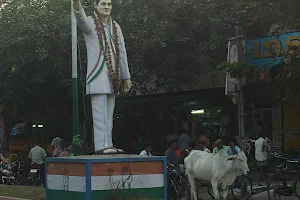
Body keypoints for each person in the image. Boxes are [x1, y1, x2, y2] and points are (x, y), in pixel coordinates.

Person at [73, 0, 132, 155]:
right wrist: (76, 2)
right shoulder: (91, 23)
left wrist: (126, 77)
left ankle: (109, 144)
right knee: (99, 114)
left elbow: (122, 53)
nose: (107, 7)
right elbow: (81, 19)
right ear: (96, 6)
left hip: (113, 77)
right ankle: (101, 146)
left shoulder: (116, 26)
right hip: (97, 75)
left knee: (109, 115)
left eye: (109, 4)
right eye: (103, 4)